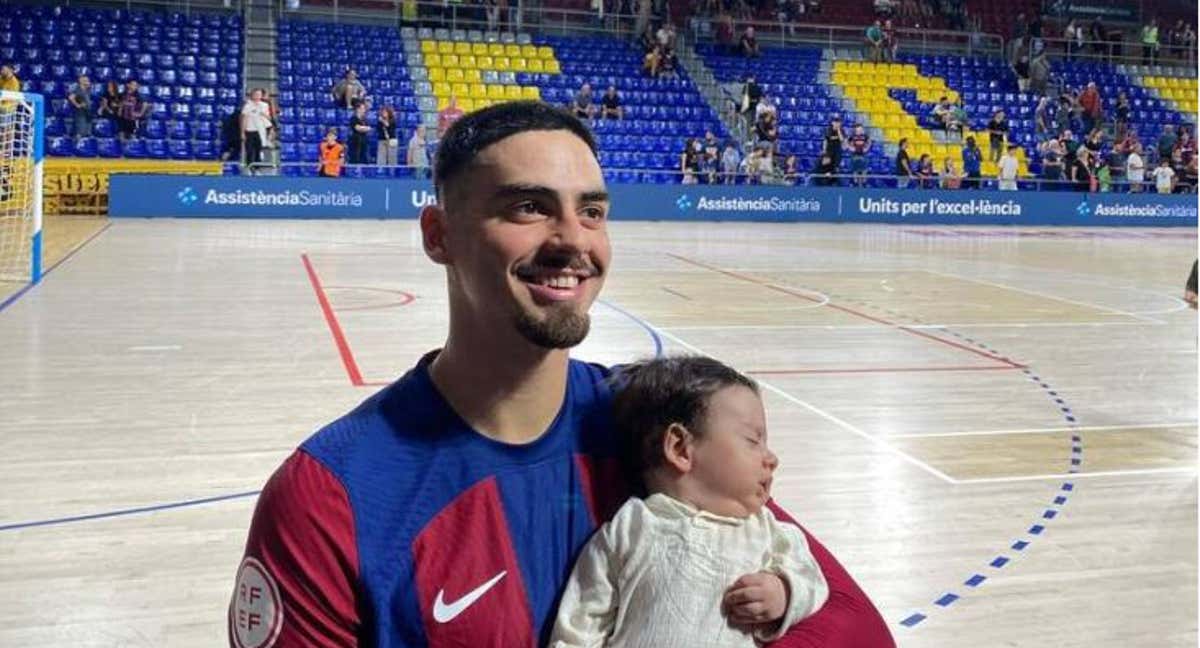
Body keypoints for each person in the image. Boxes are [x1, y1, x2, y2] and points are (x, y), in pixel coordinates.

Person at [228, 101, 895, 646]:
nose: (574, 241)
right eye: (529, 208)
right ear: (439, 236)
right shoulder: (328, 496)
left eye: (593, 211)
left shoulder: (652, 419)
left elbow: (855, 630)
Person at [549, 357, 829, 647]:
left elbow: (811, 581)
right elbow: (580, 624)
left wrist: (783, 591)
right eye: (753, 440)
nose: (771, 458)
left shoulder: (770, 532)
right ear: (681, 448)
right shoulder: (629, 528)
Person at [241, 88, 272, 171]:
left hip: (261, 130)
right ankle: (249, 168)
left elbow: (269, 118)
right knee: (250, 150)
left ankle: (258, 168)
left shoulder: (264, 105)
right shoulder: (248, 105)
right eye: (256, 94)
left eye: (259, 94)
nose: (257, 96)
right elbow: (244, 119)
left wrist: (264, 114)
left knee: (258, 150)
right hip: (250, 130)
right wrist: (242, 132)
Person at [67, 75, 93, 141]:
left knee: (87, 130)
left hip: (88, 112)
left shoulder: (87, 89)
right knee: (80, 130)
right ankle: (77, 144)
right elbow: (71, 97)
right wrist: (77, 105)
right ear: (80, 80)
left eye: (87, 80)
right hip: (80, 112)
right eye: (85, 80)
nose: (87, 81)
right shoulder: (77, 89)